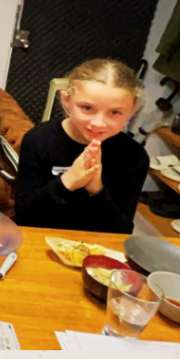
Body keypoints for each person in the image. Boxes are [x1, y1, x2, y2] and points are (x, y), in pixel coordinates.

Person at [15, 58, 149, 233]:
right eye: (86, 108)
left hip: (95, 243)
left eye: (115, 112)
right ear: (66, 100)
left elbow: (121, 231)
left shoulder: (134, 155)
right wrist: (68, 181)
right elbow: (24, 216)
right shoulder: (38, 140)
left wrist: (96, 190)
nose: (98, 123)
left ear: (132, 108)